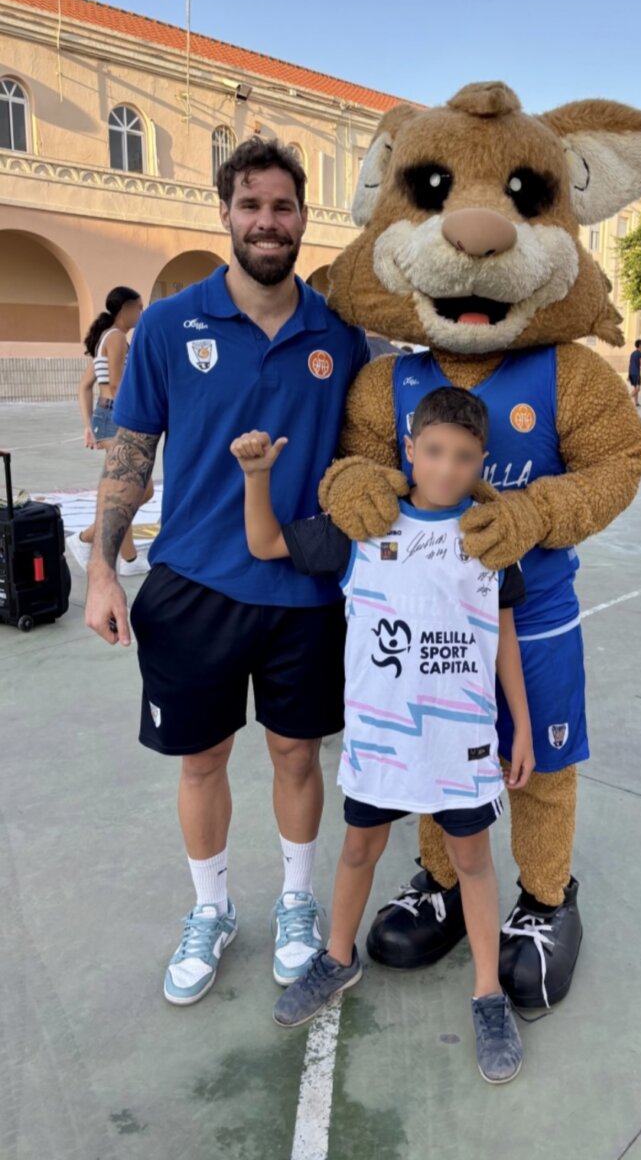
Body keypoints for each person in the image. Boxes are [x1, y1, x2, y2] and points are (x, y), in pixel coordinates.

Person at [83, 137, 370, 1006]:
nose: (267, 222)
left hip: (305, 591)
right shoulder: (171, 325)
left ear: (303, 218)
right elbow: (131, 452)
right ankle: (211, 909)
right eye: (251, 205)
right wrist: (101, 570)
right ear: (225, 214)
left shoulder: (340, 336)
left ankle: (295, 901)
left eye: (282, 206)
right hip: (194, 584)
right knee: (201, 761)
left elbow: (362, 463)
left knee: (296, 755)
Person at [230, 386, 536, 1083]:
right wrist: (256, 476)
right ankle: (338, 959)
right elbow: (264, 542)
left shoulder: (491, 536)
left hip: (460, 739)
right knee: (359, 849)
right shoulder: (363, 526)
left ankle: (487, 995)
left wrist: (518, 724)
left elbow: (506, 639)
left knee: (474, 861)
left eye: (464, 457)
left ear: (482, 460)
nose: (448, 468)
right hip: (382, 735)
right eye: (435, 451)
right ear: (410, 450)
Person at [69, 286, 153, 577]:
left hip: (106, 418)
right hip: (118, 419)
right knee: (139, 489)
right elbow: (117, 386)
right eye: (138, 307)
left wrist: (89, 426)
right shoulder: (116, 337)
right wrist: (137, 420)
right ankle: (85, 538)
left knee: (124, 488)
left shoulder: (106, 337)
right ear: (124, 309)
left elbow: (85, 386)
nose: (141, 313)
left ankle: (129, 559)